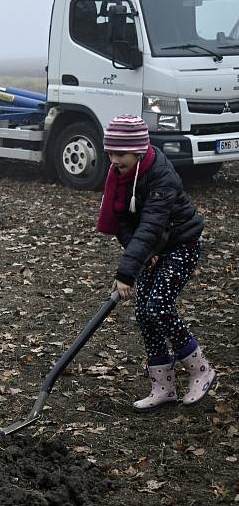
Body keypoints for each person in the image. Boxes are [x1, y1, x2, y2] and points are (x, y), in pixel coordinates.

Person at [95, 115, 215, 411]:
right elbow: (123, 220)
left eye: (119, 154)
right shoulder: (121, 175)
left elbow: (150, 225)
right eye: (110, 152)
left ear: (137, 150)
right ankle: (163, 386)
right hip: (155, 247)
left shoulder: (162, 175)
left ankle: (201, 369)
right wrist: (144, 256)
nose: (113, 160)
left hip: (181, 244)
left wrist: (126, 272)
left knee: (158, 306)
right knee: (144, 312)